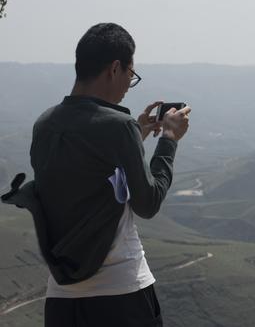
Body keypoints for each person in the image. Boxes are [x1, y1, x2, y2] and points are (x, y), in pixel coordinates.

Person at [3, 23, 191, 326]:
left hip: (62, 300)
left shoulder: (45, 124)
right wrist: (168, 139)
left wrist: (136, 137)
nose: (129, 84)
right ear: (115, 69)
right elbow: (148, 203)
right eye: (131, 75)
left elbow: (87, 177)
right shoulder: (119, 125)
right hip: (123, 294)